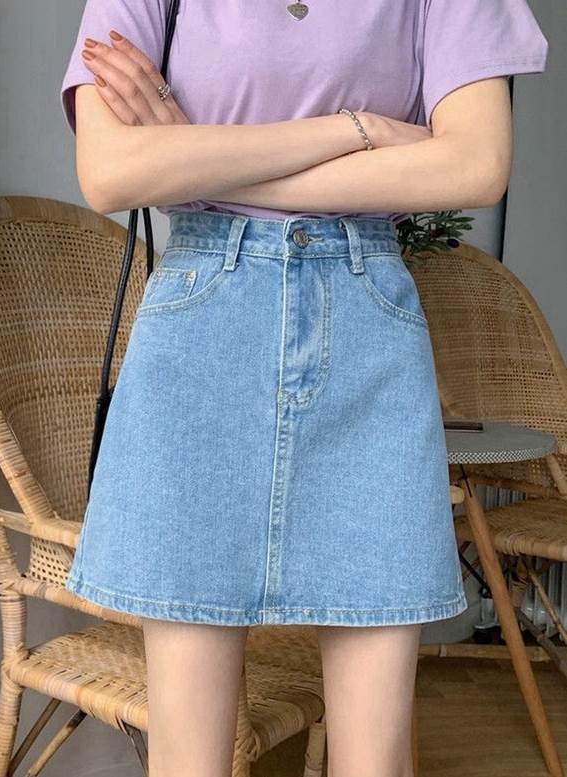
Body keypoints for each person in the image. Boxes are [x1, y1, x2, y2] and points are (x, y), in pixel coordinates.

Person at [58, 2, 548, 776]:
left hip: (367, 334)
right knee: (188, 758)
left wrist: (203, 161)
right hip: (200, 337)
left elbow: (475, 167)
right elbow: (111, 172)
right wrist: (356, 130)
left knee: (373, 758)